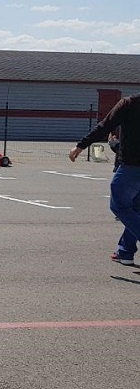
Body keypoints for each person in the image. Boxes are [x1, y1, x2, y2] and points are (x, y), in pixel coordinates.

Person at [70, 93, 140, 266]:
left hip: (132, 166)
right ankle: (125, 252)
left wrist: (81, 145)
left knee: (119, 206)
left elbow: (105, 125)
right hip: (132, 165)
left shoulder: (129, 103)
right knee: (135, 210)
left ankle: (125, 251)